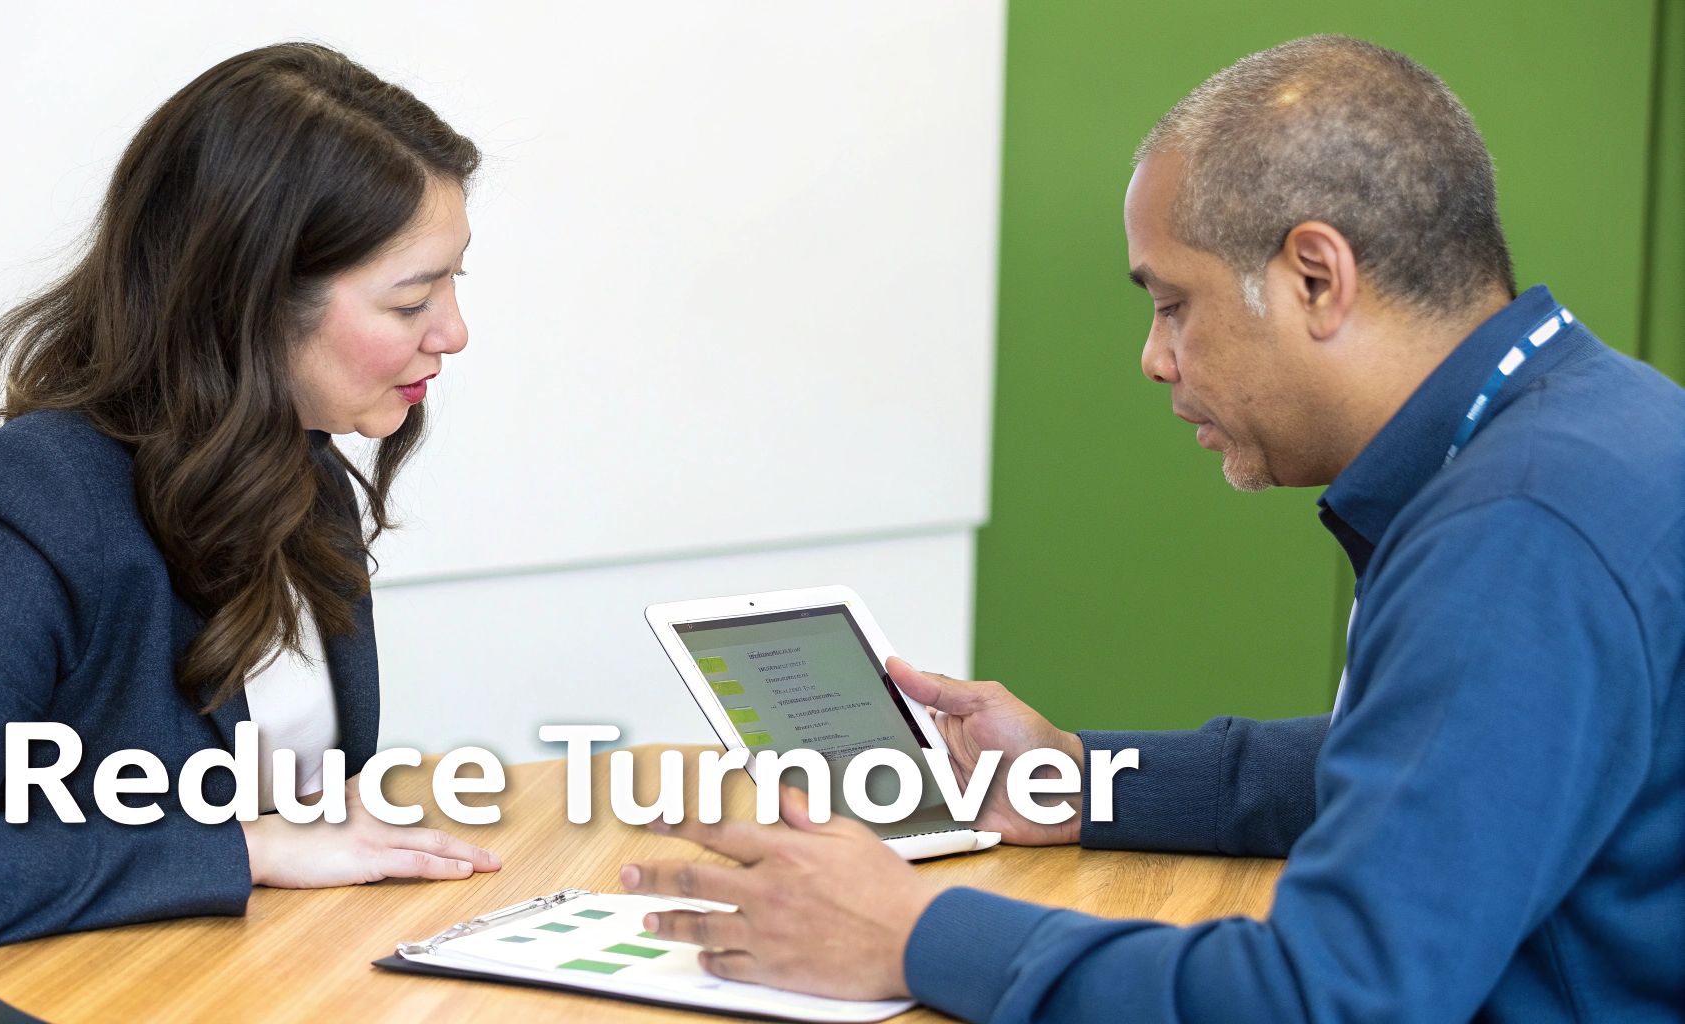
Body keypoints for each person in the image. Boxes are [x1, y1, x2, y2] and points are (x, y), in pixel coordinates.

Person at [620, 35, 1684, 1021]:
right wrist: (1076, 779)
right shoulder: (1595, 425)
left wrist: (910, 931)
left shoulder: (1517, 534)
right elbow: (1434, 766)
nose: (1154, 356)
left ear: (1315, 277)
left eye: (1173, 303)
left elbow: (1328, 1000)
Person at [0, 44, 501, 1022]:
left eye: (452, 283)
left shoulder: (306, 467)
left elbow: (291, 794)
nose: (452, 330)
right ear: (250, 302)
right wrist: (245, 847)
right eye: (412, 299)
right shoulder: (21, 507)